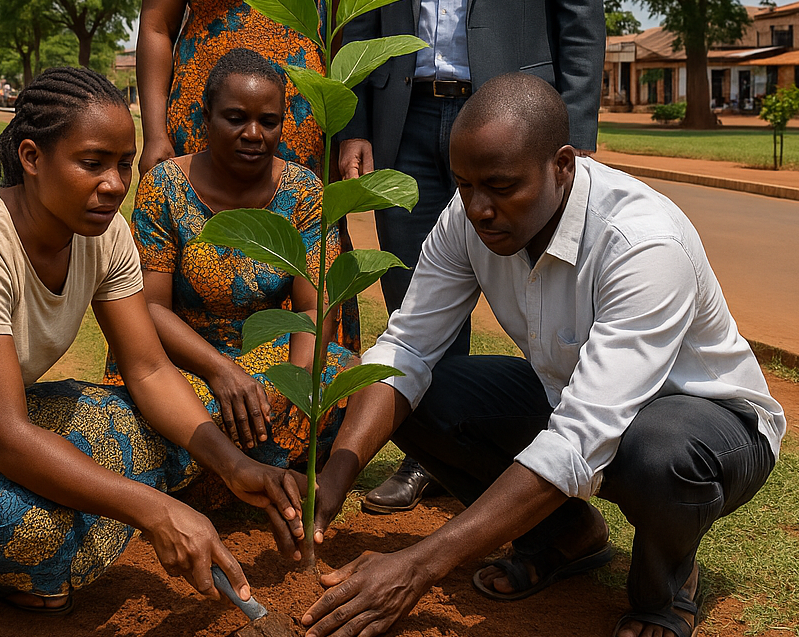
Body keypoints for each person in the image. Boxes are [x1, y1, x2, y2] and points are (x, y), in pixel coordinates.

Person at [0, 67, 308, 637]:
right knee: (37, 524)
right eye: (92, 162)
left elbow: (147, 371)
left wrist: (235, 463)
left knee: (157, 439)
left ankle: (16, 570)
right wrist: (155, 511)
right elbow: (5, 436)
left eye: (123, 163)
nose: (116, 183)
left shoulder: (105, 234)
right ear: (31, 156)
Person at [301, 74, 784, 637]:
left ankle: (665, 590)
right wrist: (335, 475)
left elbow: (583, 436)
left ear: (562, 165)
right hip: (572, 397)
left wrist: (420, 565)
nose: (479, 208)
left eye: (502, 186)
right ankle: (564, 536)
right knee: (425, 392)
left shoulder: (642, 243)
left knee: (656, 452)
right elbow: (406, 347)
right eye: (464, 185)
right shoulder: (468, 217)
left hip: (707, 423)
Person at [338, 0, 607, 512]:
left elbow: (580, 14)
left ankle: (563, 430)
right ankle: (430, 450)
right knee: (412, 285)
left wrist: (577, 135)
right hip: (404, 117)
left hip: (514, 124)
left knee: (544, 281)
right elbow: (358, 15)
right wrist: (356, 122)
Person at [105, 48, 353, 484]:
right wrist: (221, 371)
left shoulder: (305, 193)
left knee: (355, 380)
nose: (253, 134)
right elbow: (151, 309)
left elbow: (314, 310)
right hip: (182, 364)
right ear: (205, 117)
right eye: (235, 118)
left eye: (269, 122)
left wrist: (295, 388)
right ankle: (250, 462)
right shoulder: (164, 188)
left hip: (271, 365)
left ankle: (205, 467)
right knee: (172, 407)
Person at [135, 0, 346, 178]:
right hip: (204, 124)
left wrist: (345, 135)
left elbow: (343, 31)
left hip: (301, 125)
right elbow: (157, 28)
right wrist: (154, 135)